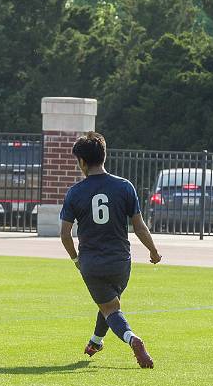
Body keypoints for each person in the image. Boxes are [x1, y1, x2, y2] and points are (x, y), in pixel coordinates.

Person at [59, 132, 160, 368]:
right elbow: (139, 226)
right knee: (110, 304)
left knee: (110, 308)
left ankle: (132, 339)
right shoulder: (125, 187)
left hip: (92, 263)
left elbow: (65, 235)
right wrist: (153, 251)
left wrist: (76, 259)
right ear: (104, 156)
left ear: (82, 162)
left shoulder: (75, 192)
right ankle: (96, 341)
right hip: (121, 262)